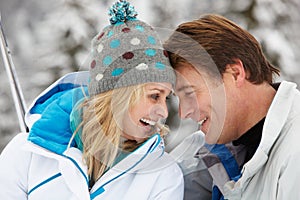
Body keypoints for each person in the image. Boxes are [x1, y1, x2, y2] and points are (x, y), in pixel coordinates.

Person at [0, 1, 184, 199]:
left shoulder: (163, 176)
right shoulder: (27, 154)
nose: (164, 112)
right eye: (154, 96)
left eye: (166, 98)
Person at [164, 14, 300, 199]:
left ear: (235, 73)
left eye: (189, 93)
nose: (184, 112)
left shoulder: (293, 154)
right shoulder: (208, 156)